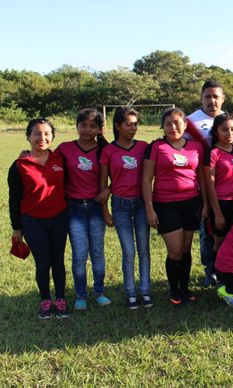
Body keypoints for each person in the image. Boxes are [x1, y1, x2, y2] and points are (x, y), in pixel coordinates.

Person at [143, 108, 207, 305]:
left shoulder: (196, 147)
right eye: (168, 123)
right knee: (176, 250)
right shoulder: (156, 147)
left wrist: (205, 204)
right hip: (165, 205)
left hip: (191, 203)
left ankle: (184, 289)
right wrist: (150, 208)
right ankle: (173, 289)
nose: (173, 127)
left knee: (187, 249)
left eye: (177, 123)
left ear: (185, 125)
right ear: (163, 126)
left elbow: (203, 178)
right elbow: (146, 179)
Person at [8, 118, 70, 319]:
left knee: (58, 261)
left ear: (52, 137)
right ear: (28, 136)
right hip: (33, 222)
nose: (41, 138)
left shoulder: (60, 160)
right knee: (43, 263)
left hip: (59, 218)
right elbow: (14, 199)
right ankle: (45, 300)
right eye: (36, 133)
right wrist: (17, 228)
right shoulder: (19, 165)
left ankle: (60, 299)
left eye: (46, 134)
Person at [185, 79, 233, 288]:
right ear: (201, 98)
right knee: (208, 232)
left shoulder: (229, 121)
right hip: (202, 186)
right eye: (207, 96)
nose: (212, 101)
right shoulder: (189, 121)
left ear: (223, 98)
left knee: (230, 231)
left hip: (230, 190)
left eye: (216, 96)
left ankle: (230, 268)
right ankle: (211, 270)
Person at [56, 108, 111, 311]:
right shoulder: (64, 149)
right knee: (79, 253)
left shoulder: (104, 150)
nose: (87, 130)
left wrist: (108, 191)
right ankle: (81, 295)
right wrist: (28, 155)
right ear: (77, 125)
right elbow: (48, 165)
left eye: (92, 126)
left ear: (99, 129)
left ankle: (99, 292)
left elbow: (122, 176)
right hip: (74, 208)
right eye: (83, 125)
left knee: (97, 251)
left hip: (96, 207)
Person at [99, 107, 152, 309]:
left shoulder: (144, 147)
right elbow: (104, 184)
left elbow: (149, 176)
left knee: (144, 249)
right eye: (128, 124)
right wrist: (105, 211)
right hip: (120, 204)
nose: (133, 128)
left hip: (141, 203)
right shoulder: (109, 151)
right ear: (118, 126)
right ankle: (130, 292)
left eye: (135, 124)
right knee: (128, 251)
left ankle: (145, 291)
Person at [204, 113, 233, 254]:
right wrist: (217, 213)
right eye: (224, 129)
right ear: (216, 131)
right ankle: (215, 274)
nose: (229, 133)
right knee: (219, 245)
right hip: (221, 203)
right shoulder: (212, 153)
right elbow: (209, 184)